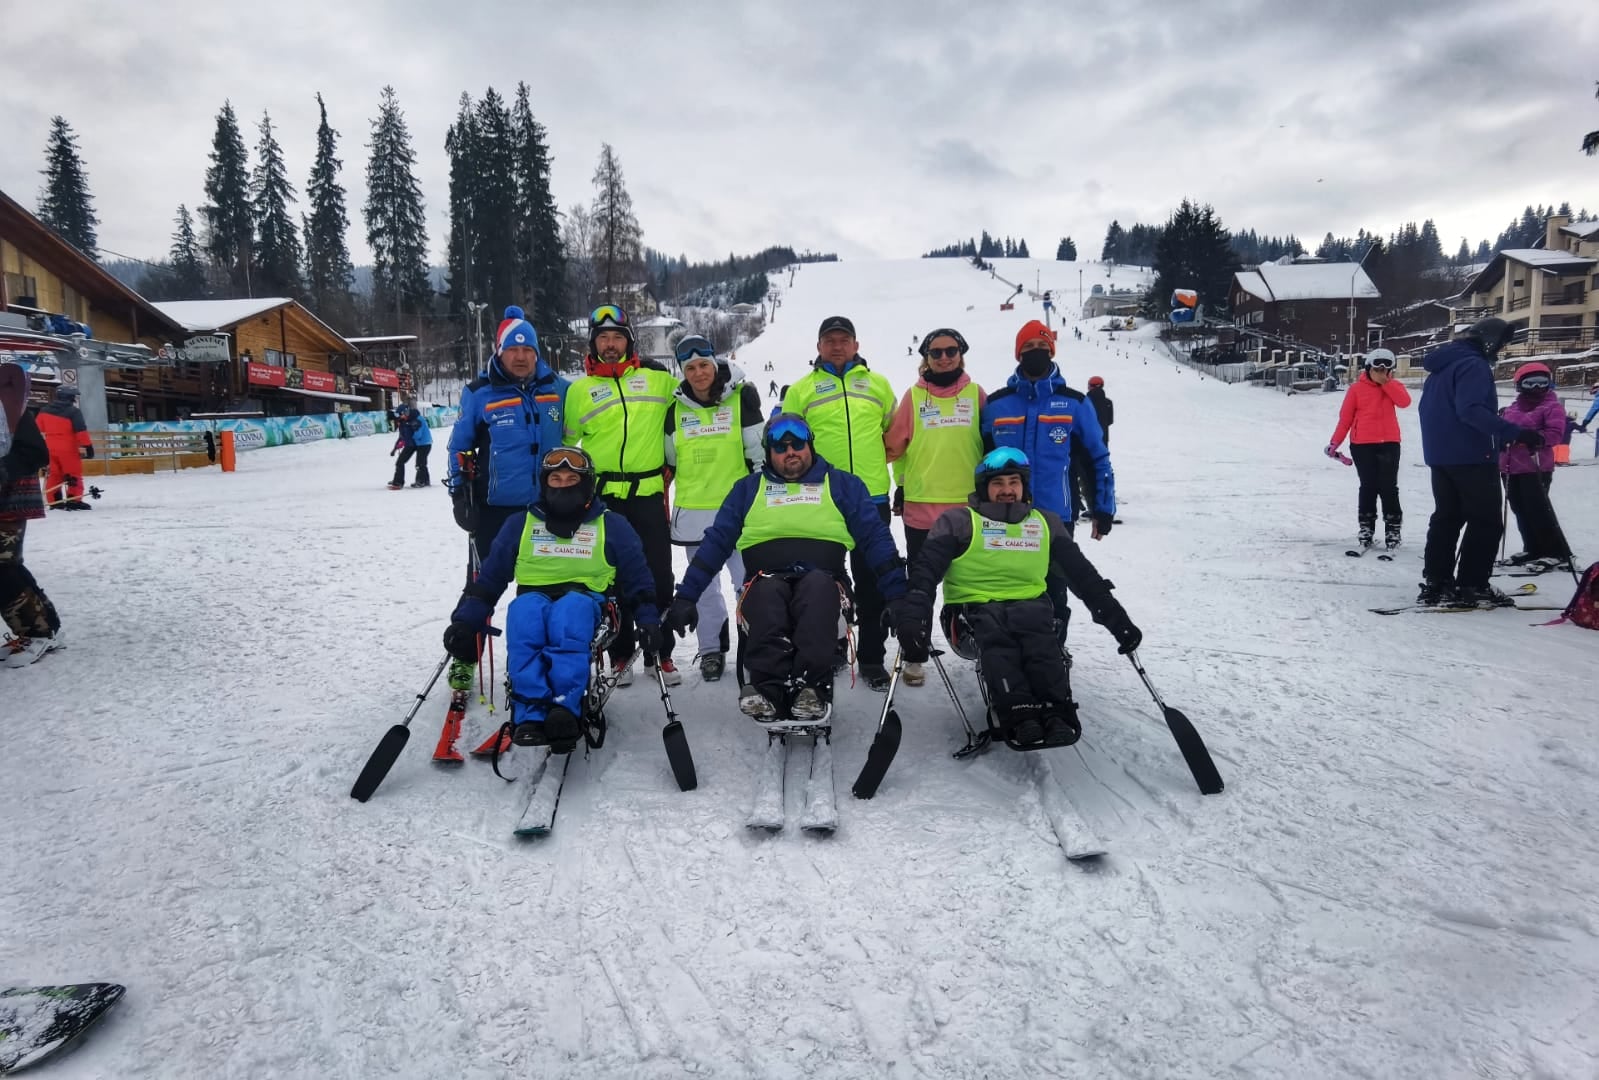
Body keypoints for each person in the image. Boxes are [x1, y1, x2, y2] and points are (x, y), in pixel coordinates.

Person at [662, 413, 908, 721]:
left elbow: (876, 540)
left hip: (826, 579)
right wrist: (686, 596)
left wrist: (898, 595)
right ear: (768, 453)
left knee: (816, 588)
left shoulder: (842, 485)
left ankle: (810, 687)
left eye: (797, 444)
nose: (790, 451)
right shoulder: (748, 489)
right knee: (767, 594)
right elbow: (715, 544)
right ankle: (767, 689)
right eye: (780, 447)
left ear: (810, 446)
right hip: (764, 580)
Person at [898, 448, 1141, 746]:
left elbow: (1083, 577)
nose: (1007, 490)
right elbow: (925, 574)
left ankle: (1055, 711)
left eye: (1014, 482)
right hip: (970, 611)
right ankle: (1018, 712)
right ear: (984, 488)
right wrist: (913, 618)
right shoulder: (959, 522)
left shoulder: (1044, 523)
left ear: (1024, 486)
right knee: (995, 631)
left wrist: (1117, 619)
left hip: (1030, 606)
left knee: (1039, 630)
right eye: (998, 483)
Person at [442, 447, 660, 751]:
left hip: (590, 601)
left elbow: (638, 578)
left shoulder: (611, 525)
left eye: (572, 479)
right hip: (534, 596)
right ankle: (531, 711)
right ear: (545, 484)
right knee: (524, 613)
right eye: (555, 479)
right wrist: (467, 620)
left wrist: (648, 619)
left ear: (586, 484)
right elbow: (490, 579)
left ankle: (564, 708)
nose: (563, 485)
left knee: (569, 614)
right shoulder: (521, 524)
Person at [445, 307, 569, 689]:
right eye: (512, 350)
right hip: (494, 510)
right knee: (483, 585)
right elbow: (459, 446)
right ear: (499, 352)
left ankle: (541, 659)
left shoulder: (558, 389)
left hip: (546, 509)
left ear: (536, 352)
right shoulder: (480, 393)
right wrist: (459, 494)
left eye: (527, 349)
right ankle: (465, 655)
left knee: (546, 590)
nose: (520, 357)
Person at [563, 304, 680, 685]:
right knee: (611, 577)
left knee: (659, 577)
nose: (610, 345)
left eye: (617, 338)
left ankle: (659, 653)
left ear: (630, 343)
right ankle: (621, 651)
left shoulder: (657, 381)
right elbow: (563, 447)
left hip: (648, 494)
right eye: (603, 338)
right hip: (604, 499)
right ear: (593, 343)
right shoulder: (579, 391)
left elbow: (700, 392)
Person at [781, 316, 899, 690]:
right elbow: (787, 444)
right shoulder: (802, 390)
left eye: (843, 339)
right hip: (821, 497)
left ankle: (871, 658)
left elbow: (895, 435)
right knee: (822, 581)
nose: (836, 345)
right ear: (818, 346)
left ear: (855, 344)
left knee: (872, 580)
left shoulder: (878, 385)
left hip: (870, 496)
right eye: (829, 340)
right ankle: (828, 648)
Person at [884, 328, 986, 686]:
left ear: (961, 353)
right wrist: (900, 484)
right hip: (923, 511)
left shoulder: (976, 395)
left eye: (951, 351)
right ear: (926, 357)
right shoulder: (913, 398)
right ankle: (915, 654)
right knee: (922, 586)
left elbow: (991, 448)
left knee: (974, 584)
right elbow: (894, 447)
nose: (944, 358)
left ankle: (985, 647)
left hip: (969, 511)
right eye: (937, 352)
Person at [1417, 318, 1538, 607]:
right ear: (1489, 340)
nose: (1501, 348)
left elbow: (1429, 409)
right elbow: (1470, 410)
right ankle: (1473, 584)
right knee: (1486, 522)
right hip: (1471, 456)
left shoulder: (1443, 365)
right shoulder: (1473, 365)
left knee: (1447, 517)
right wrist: (1514, 432)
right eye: (1502, 343)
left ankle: (1437, 581)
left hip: (1441, 456)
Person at [663, 334, 763, 681]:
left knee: (747, 586)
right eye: (690, 367)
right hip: (695, 515)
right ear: (683, 371)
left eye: (704, 364)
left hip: (739, 514)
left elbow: (759, 455)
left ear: (715, 363)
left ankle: (755, 648)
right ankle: (711, 651)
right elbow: (671, 459)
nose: (699, 372)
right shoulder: (674, 410)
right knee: (704, 590)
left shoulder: (740, 399)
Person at [1325, 348, 1411, 550]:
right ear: (1368, 368)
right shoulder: (1356, 389)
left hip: (1389, 443)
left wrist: (1387, 384)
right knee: (1368, 487)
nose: (1382, 372)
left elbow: (1404, 402)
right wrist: (1335, 443)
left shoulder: (1393, 385)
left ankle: (1393, 530)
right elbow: (1345, 419)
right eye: (1377, 368)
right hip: (1362, 445)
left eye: (1386, 368)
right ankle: (1366, 529)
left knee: (1389, 488)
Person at [0, 395, 63, 665]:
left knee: (2, 568)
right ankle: (48, 629)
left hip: (9, 496)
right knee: (8, 565)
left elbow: (34, 451)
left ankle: (36, 633)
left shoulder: (8, 401)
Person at [1498, 361, 1571, 571]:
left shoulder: (1552, 406)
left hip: (1535, 466)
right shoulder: (1511, 408)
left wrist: (1535, 438)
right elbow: (1502, 429)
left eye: (1542, 382)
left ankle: (1556, 551)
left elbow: (1555, 434)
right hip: (1510, 467)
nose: (1537, 388)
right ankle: (1533, 547)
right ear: (1520, 385)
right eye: (1531, 383)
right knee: (1520, 508)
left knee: (1538, 508)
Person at [36, 385, 93, 510]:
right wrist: (88, 447)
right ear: (70, 398)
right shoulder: (73, 412)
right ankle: (73, 500)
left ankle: (55, 501)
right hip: (68, 447)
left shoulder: (44, 410)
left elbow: (38, 429)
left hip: (50, 447)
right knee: (73, 474)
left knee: (55, 474)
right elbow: (81, 431)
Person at [388, 403, 432, 489]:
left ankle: (422, 481)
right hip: (414, 444)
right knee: (402, 462)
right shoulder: (404, 421)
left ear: (406, 412)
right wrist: (396, 448)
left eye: (401, 415)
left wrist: (413, 431)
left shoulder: (417, 419)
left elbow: (418, 435)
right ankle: (399, 481)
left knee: (420, 463)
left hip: (424, 444)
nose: (400, 417)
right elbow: (403, 436)